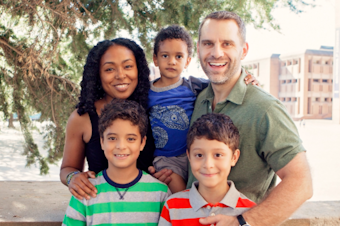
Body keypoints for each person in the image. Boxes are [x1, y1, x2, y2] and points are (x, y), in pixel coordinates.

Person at [186, 11, 312, 226]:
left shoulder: (265, 108)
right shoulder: (199, 98)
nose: (216, 53)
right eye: (208, 43)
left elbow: (301, 182)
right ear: (198, 49)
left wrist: (243, 222)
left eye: (227, 44)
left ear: (243, 50)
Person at [148, 25, 258, 193]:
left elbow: (226, 82)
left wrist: (247, 78)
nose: (172, 61)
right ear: (155, 59)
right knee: (181, 196)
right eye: (165, 56)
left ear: (188, 61)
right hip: (167, 159)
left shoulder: (194, 85)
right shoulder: (146, 92)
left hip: (196, 154)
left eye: (179, 56)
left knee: (202, 192)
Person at [60, 38, 159, 200]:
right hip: (102, 209)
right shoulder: (83, 117)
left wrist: (167, 172)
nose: (120, 75)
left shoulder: (155, 108)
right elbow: (68, 168)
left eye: (128, 66)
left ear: (139, 70)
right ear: (97, 74)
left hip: (150, 206)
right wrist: (73, 178)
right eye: (109, 69)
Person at [62, 99, 171, 225]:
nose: (121, 146)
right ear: (102, 142)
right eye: (112, 138)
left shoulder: (160, 193)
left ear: (142, 143)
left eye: (130, 138)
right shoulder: (85, 192)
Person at [158, 113, 256, 226]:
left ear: (234, 157)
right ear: (189, 156)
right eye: (199, 155)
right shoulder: (172, 207)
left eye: (218, 155)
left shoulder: (250, 212)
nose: (208, 165)